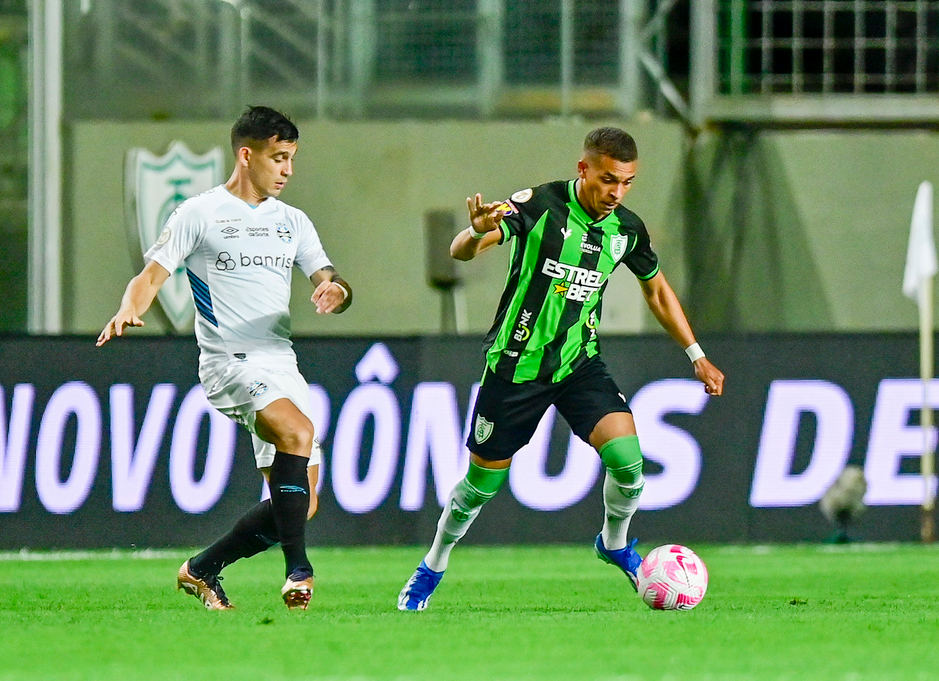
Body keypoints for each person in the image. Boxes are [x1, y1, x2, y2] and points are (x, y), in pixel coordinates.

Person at [398, 127, 724, 611]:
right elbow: (461, 252)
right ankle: (432, 567)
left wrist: (696, 353)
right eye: (609, 179)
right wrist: (475, 229)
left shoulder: (627, 230)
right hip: (514, 367)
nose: (617, 192)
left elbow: (655, 290)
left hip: (578, 364)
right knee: (479, 488)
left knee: (629, 464)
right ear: (584, 169)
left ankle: (615, 544)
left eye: (628, 182)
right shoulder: (537, 205)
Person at [97, 106, 352, 611]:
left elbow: (328, 275)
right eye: (279, 158)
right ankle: (298, 571)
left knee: (304, 504)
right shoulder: (200, 213)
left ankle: (202, 568)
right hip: (229, 362)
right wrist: (130, 306)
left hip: (282, 363)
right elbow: (151, 276)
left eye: (292, 159)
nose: (287, 170)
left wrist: (336, 291)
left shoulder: (292, 221)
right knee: (298, 434)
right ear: (246, 154)